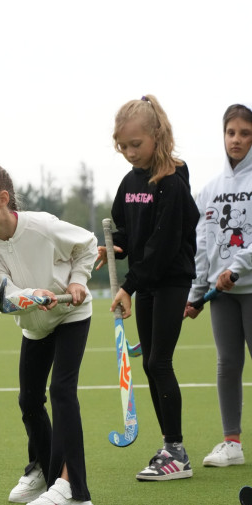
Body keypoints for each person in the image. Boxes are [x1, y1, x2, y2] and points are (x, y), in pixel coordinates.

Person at [0, 162, 97, 505]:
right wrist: (32, 295)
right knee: (29, 400)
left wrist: (78, 280)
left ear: (3, 199)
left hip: (70, 316)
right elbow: (5, 298)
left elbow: (87, 244)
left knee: (62, 391)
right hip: (36, 325)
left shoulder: (42, 226)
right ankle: (43, 469)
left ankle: (74, 490)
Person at [96, 95, 200, 481]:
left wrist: (128, 285)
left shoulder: (171, 183)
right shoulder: (130, 181)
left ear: (157, 136)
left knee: (159, 362)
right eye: (122, 146)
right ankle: (168, 447)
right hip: (145, 282)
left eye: (135, 145)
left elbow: (162, 245)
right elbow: (128, 228)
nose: (128, 153)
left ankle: (176, 451)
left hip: (170, 279)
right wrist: (115, 246)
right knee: (150, 363)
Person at [185, 102, 252, 467]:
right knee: (227, 364)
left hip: (250, 288)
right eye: (231, 133)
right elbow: (203, 246)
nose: (236, 140)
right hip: (221, 297)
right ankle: (232, 443)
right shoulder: (208, 190)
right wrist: (197, 293)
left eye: (244, 133)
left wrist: (237, 268)